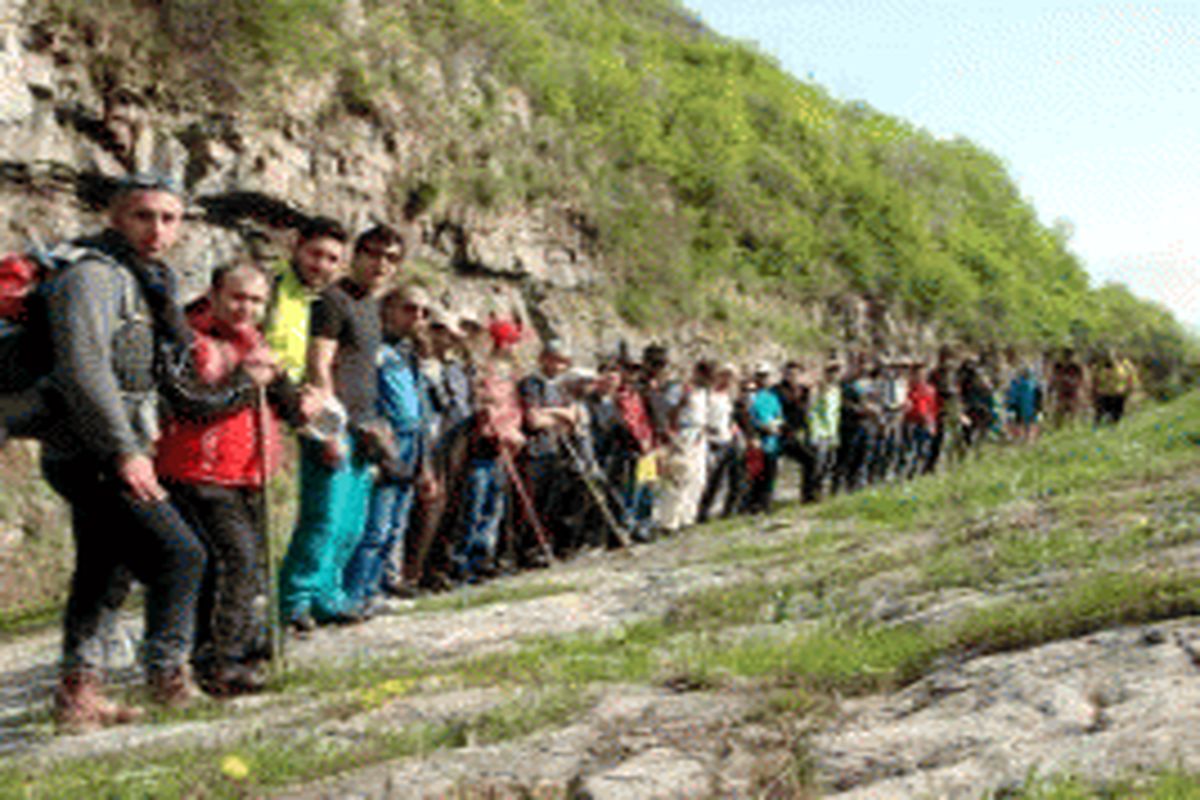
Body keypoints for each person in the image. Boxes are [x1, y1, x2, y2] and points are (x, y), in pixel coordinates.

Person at [41, 175, 210, 729]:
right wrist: (123, 451)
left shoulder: (145, 280)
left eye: (169, 218)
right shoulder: (91, 275)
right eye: (144, 216)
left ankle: (78, 696)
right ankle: (168, 678)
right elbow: (83, 369)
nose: (157, 229)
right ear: (117, 217)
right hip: (92, 450)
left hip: (110, 446)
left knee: (103, 569)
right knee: (181, 554)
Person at [155, 262, 293, 697]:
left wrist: (297, 397)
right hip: (199, 472)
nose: (245, 308)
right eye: (237, 298)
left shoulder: (252, 339)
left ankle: (240, 643)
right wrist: (243, 382)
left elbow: (275, 390)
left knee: (245, 564)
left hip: (246, 473)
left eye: (255, 301)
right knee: (236, 561)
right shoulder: (186, 338)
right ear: (213, 294)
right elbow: (190, 402)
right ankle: (220, 662)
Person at [278, 224, 404, 632]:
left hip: (364, 425)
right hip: (335, 423)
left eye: (391, 257)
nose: (381, 263)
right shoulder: (333, 300)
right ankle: (294, 602)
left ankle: (327, 597)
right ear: (357, 254)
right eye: (373, 253)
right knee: (323, 519)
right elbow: (318, 363)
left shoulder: (371, 306)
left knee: (350, 523)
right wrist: (329, 429)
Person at [342, 286, 439, 612]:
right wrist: (377, 442)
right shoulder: (372, 348)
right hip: (386, 440)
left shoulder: (409, 353)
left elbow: (422, 411)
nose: (418, 317)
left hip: (413, 442)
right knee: (375, 526)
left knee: (394, 526)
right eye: (410, 308)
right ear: (388, 309)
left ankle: (375, 590)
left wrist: (425, 463)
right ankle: (355, 595)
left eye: (424, 312)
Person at [657, 359, 712, 533]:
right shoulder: (681, 389)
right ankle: (669, 522)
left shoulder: (704, 392)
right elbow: (668, 412)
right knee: (678, 478)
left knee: (697, 478)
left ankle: (687, 517)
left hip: (699, 435)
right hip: (683, 433)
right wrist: (672, 436)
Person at [745, 362, 784, 513]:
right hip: (759, 438)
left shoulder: (773, 396)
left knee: (770, 474)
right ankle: (753, 505)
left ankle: (766, 504)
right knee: (757, 474)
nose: (763, 379)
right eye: (760, 376)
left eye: (766, 376)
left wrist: (777, 425)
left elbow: (779, 415)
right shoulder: (752, 396)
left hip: (772, 439)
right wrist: (761, 427)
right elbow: (749, 417)